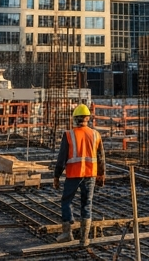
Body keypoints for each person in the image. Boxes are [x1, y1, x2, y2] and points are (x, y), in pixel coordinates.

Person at [52, 104, 105, 247]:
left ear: (75, 119)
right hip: (90, 175)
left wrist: (56, 176)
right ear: (88, 118)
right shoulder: (96, 135)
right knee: (87, 204)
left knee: (66, 201)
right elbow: (101, 158)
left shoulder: (69, 135)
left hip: (74, 174)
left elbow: (61, 159)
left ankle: (67, 233)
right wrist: (101, 175)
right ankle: (84, 239)